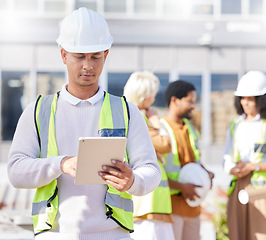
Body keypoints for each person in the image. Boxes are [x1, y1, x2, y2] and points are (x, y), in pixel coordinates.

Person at [7, 7, 161, 240]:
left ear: (106, 55)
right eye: (79, 56)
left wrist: (132, 181)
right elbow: (16, 172)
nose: (88, 65)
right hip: (56, 234)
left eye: (95, 56)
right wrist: (60, 164)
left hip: (113, 235)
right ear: (64, 55)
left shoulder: (127, 112)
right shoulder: (38, 111)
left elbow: (151, 170)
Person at [223, 71, 266, 240]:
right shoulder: (235, 125)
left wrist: (254, 166)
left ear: (262, 100)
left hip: (263, 191)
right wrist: (233, 169)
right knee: (238, 234)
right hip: (238, 188)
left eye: (250, 99)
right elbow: (227, 157)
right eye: (242, 98)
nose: (245, 103)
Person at [123, 71, 175, 240]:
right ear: (144, 96)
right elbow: (165, 144)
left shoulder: (126, 115)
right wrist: (156, 123)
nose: (153, 99)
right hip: (147, 204)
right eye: (152, 95)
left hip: (151, 203)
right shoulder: (139, 117)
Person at [160, 80, 213, 240]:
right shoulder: (161, 130)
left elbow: (195, 161)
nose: (193, 106)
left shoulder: (191, 129)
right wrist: (182, 187)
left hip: (193, 209)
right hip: (171, 209)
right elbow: (157, 174)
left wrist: (206, 174)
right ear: (175, 101)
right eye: (190, 101)